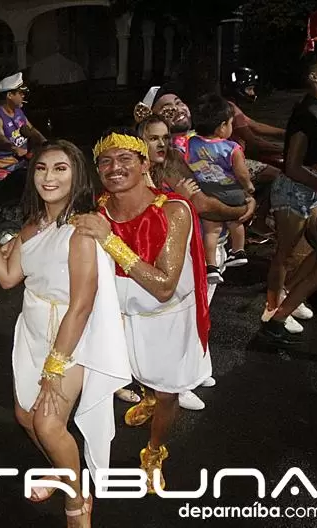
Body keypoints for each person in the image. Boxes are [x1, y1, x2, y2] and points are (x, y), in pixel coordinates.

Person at [0, 140, 132, 528]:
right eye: (41, 168)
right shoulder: (34, 225)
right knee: (26, 416)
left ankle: (77, 506)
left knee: (48, 424)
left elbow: (82, 304)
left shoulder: (82, 230)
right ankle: (63, 471)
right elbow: (8, 277)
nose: (48, 177)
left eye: (60, 168)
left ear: (77, 175)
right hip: (32, 330)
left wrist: (54, 369)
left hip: (70, 336)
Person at [75, 130, 211, 493]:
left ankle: (154, 451)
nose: (114, 167)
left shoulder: (173, 210)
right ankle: (147, 395)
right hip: (117, 318)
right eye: (106, 161)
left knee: (167, 392)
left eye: (125, 159)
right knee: (131, 373)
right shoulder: (97, 209)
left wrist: (108, 240)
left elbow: (163, 287)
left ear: (144, 164)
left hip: (166, 320)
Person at [136, 114, 253, 411]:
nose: (161, 143)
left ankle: (193, 372)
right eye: (153, 138)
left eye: (165, 137)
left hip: (190, 248)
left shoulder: (173, 161)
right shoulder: (133, 168)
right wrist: (240, 210)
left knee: (193, 312)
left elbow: (201, 201)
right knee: (168, 321)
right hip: (153, 259)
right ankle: (174, 385)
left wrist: (240, 208)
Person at [263, 50, 317, 334]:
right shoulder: (307, 112)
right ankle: (272, 310)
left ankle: (289, 296)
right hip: (295, 190)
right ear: (313, 76)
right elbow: (292, 166)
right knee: (284, 253)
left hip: (314, 187)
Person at [184, 94, 254, 283]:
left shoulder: (191, 142)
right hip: (231, 191)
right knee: (236, 222)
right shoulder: (232, 147)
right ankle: (238, 251)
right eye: (231, 123)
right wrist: (248, 187)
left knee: (211, 231)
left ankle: (212, 267)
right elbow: (242, 173)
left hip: (207, 190)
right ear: (222, 126)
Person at [224, 67, 285, 238]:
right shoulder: (230, 110)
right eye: (249, 89)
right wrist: (288, 148)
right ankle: (259, 220)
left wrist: (285, 133)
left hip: (233, 157)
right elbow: (254, 141)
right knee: (278, 175)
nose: (252, 93)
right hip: (232, 163)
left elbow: (256, 126)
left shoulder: (230, 106)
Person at [0, 72, 46, 182]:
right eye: (20, 93)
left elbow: (30, 129)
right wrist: (14, 148)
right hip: (1, 166)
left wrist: (45, 142)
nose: (23, 96)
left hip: (20, 162)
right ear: (10, 95)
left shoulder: (18, 111)